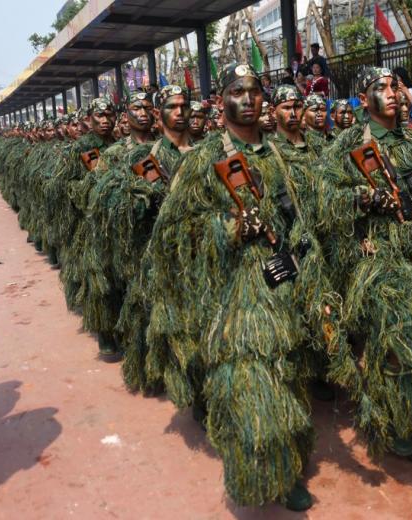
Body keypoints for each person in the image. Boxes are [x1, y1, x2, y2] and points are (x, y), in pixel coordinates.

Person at [133, 64, 323, 511]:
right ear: (222, 102)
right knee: (252, 384)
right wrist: (229, 226)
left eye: (255, 92)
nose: (249, 99)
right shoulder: (203, 160)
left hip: (284, 283)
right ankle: (262, 473)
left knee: (290, 377)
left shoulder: (275, 154)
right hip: (235, 292)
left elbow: (300, 216)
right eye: (238, 92)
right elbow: (173, 232)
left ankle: (289, 465)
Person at [308, 66, 412, 465]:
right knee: (394, 344)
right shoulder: (348, 145)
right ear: (363, 99)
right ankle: (393, 426)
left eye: (395, 86)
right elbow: (325, 204)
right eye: (380, 88)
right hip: (376, 259)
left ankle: (409, 420)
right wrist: (363, 198)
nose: (392, 93)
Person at [81, 89, 187, 359]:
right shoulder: (116, 153)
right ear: (127, 115)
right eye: (135, 109)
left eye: (145, 109)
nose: (141, 114)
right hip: (134, 240)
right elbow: (99, 197)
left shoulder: (166, 147)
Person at [50, 98, 116, 311]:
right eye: (100, 116)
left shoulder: (118, 145)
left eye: (109, 115)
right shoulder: (83, 147)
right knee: (95, 275)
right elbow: (64, 186)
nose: (105, 120)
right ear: (89, 119)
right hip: (87, 221)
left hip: (112, 220)